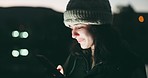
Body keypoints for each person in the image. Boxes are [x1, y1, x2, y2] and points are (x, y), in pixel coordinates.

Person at [56, 0, 146, 78]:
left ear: (98, 27)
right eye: (71, 28)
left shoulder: (129, 65)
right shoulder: (75, 58)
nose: (73, 35)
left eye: (79, 27)